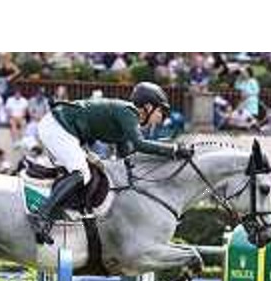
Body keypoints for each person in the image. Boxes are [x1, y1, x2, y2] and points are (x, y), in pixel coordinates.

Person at [28, 82, 194, 244]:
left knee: (86, 173)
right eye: (161, 112)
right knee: (82, 173)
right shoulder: (128, 113)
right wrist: (174, 150)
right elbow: (140, 145)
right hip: (58, 126)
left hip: (63, 129)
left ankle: (56, 216)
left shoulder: (128, 120)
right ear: (148, 107)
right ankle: (41, 215)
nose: (162, 118)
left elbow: (128, 158)